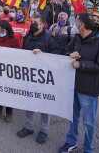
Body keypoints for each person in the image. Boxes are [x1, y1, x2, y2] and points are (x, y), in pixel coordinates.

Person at [59, 13, 99, 153]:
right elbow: (65, 52)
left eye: (76, 21)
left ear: (81, 24)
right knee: (73, 117)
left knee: (88, 122)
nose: (74, 23)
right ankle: (71, 142)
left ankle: (88, 148)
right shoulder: (76, 38)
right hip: (73, 85)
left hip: (89, 88)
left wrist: (81, 65)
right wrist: (70, 55)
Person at [17, 15, 60, 144]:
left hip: (43, 77)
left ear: (42, 25)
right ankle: (28, 126)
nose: (32, 24)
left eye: (35, 23)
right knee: (29, 100)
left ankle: (44, 130)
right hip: (30, 75)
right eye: (32, 22)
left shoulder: (49, 38)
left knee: (44, 104)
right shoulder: (28, 35)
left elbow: (57, 55)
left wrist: (43, 54)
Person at [0, 20, 20, 122]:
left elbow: (18, 56)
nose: (0, 32)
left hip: (8, 71)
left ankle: (9, 113)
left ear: (7, 29)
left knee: (8, 93)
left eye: (2, 30)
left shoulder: (14, 40)